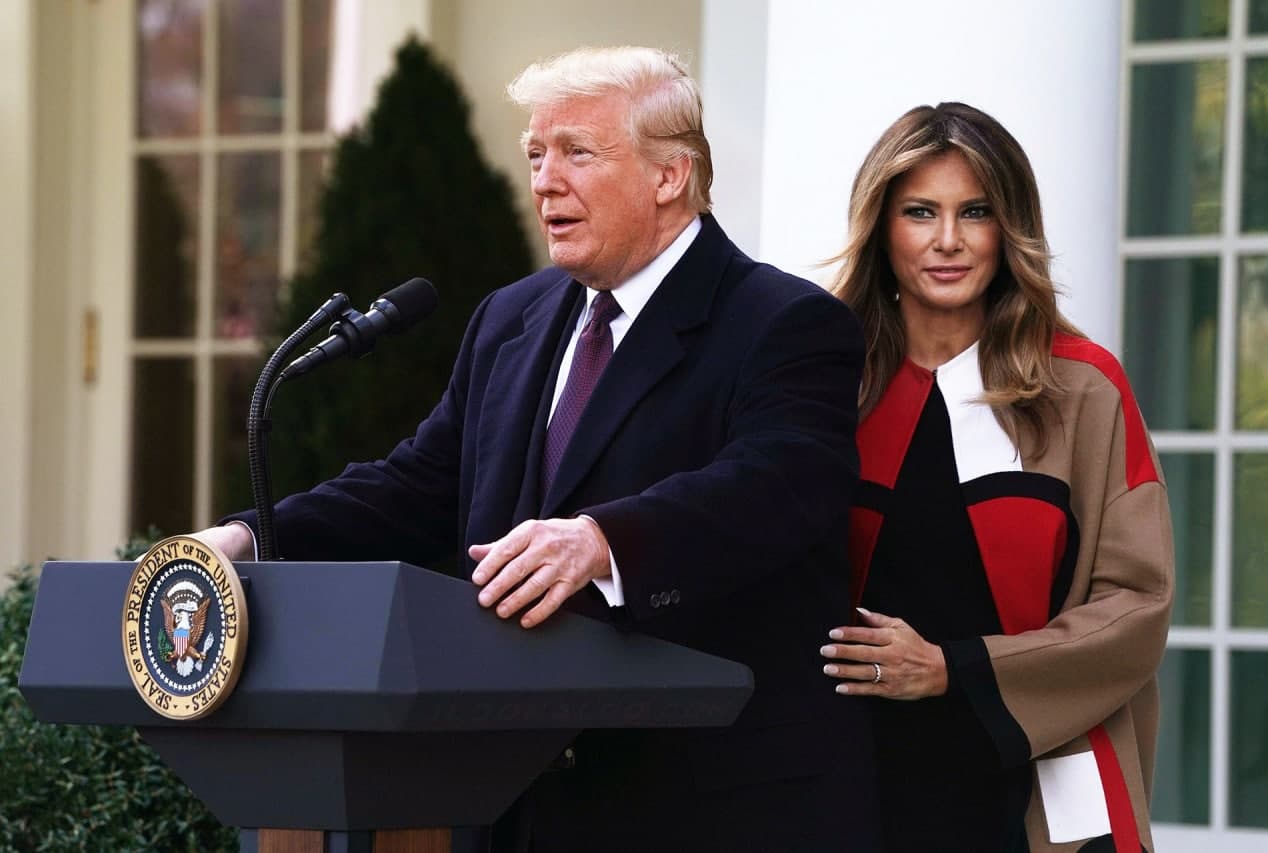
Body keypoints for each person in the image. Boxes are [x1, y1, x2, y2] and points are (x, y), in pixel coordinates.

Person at [195, 47, 879, 852]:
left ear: (670, 175)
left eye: (577, 153)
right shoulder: (512, 317)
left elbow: (781, 484)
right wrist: (246, 537)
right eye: (535, 154)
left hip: (712, 802)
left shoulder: (783, 322)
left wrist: (603, 542)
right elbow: (418, 485)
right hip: (521, 797)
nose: (545, 181)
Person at [818, 102, 1173, 853]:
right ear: (883, 228)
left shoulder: (1083, 387)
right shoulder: (825, 385)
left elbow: (1138, 604)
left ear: (1008, 228)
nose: (948, 240)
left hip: (1038, 791)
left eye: (974, 211)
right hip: (857, 782)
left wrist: (954, 668)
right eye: (920, 212)